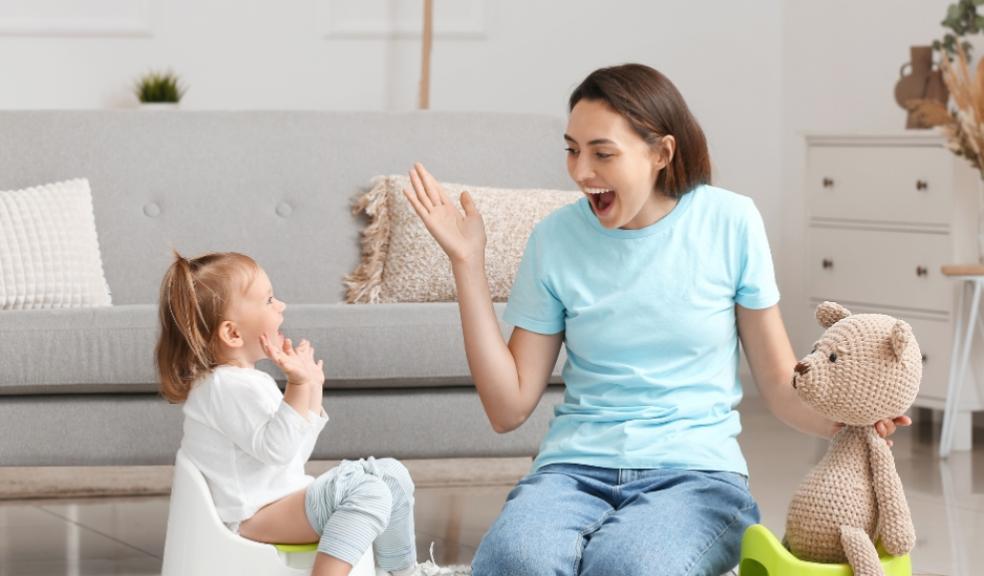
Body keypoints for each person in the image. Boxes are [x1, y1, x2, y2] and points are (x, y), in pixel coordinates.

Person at [403, 63, 908, 575]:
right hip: (573, 472)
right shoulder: (554, 239)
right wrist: (467, 262)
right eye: (572, 150)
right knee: (514, 561)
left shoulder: (730, 222)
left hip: (698, 476)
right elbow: (507, 408)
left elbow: (780, 384)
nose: (580, 172)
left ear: (661, 153)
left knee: (625, 566)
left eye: (602, 153)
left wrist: (850, 418)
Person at [156, 251, 421, 576]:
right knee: (368, 491)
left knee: (392, 474)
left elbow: (294, 454)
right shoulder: (225, 387)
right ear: (233, 334)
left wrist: (312, 387)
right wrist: (297, 385)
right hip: (256, 516)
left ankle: (403, 571)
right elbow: (278, 451)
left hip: (280, 502)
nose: (281, 306)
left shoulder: (243, 383)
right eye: (268, 300)